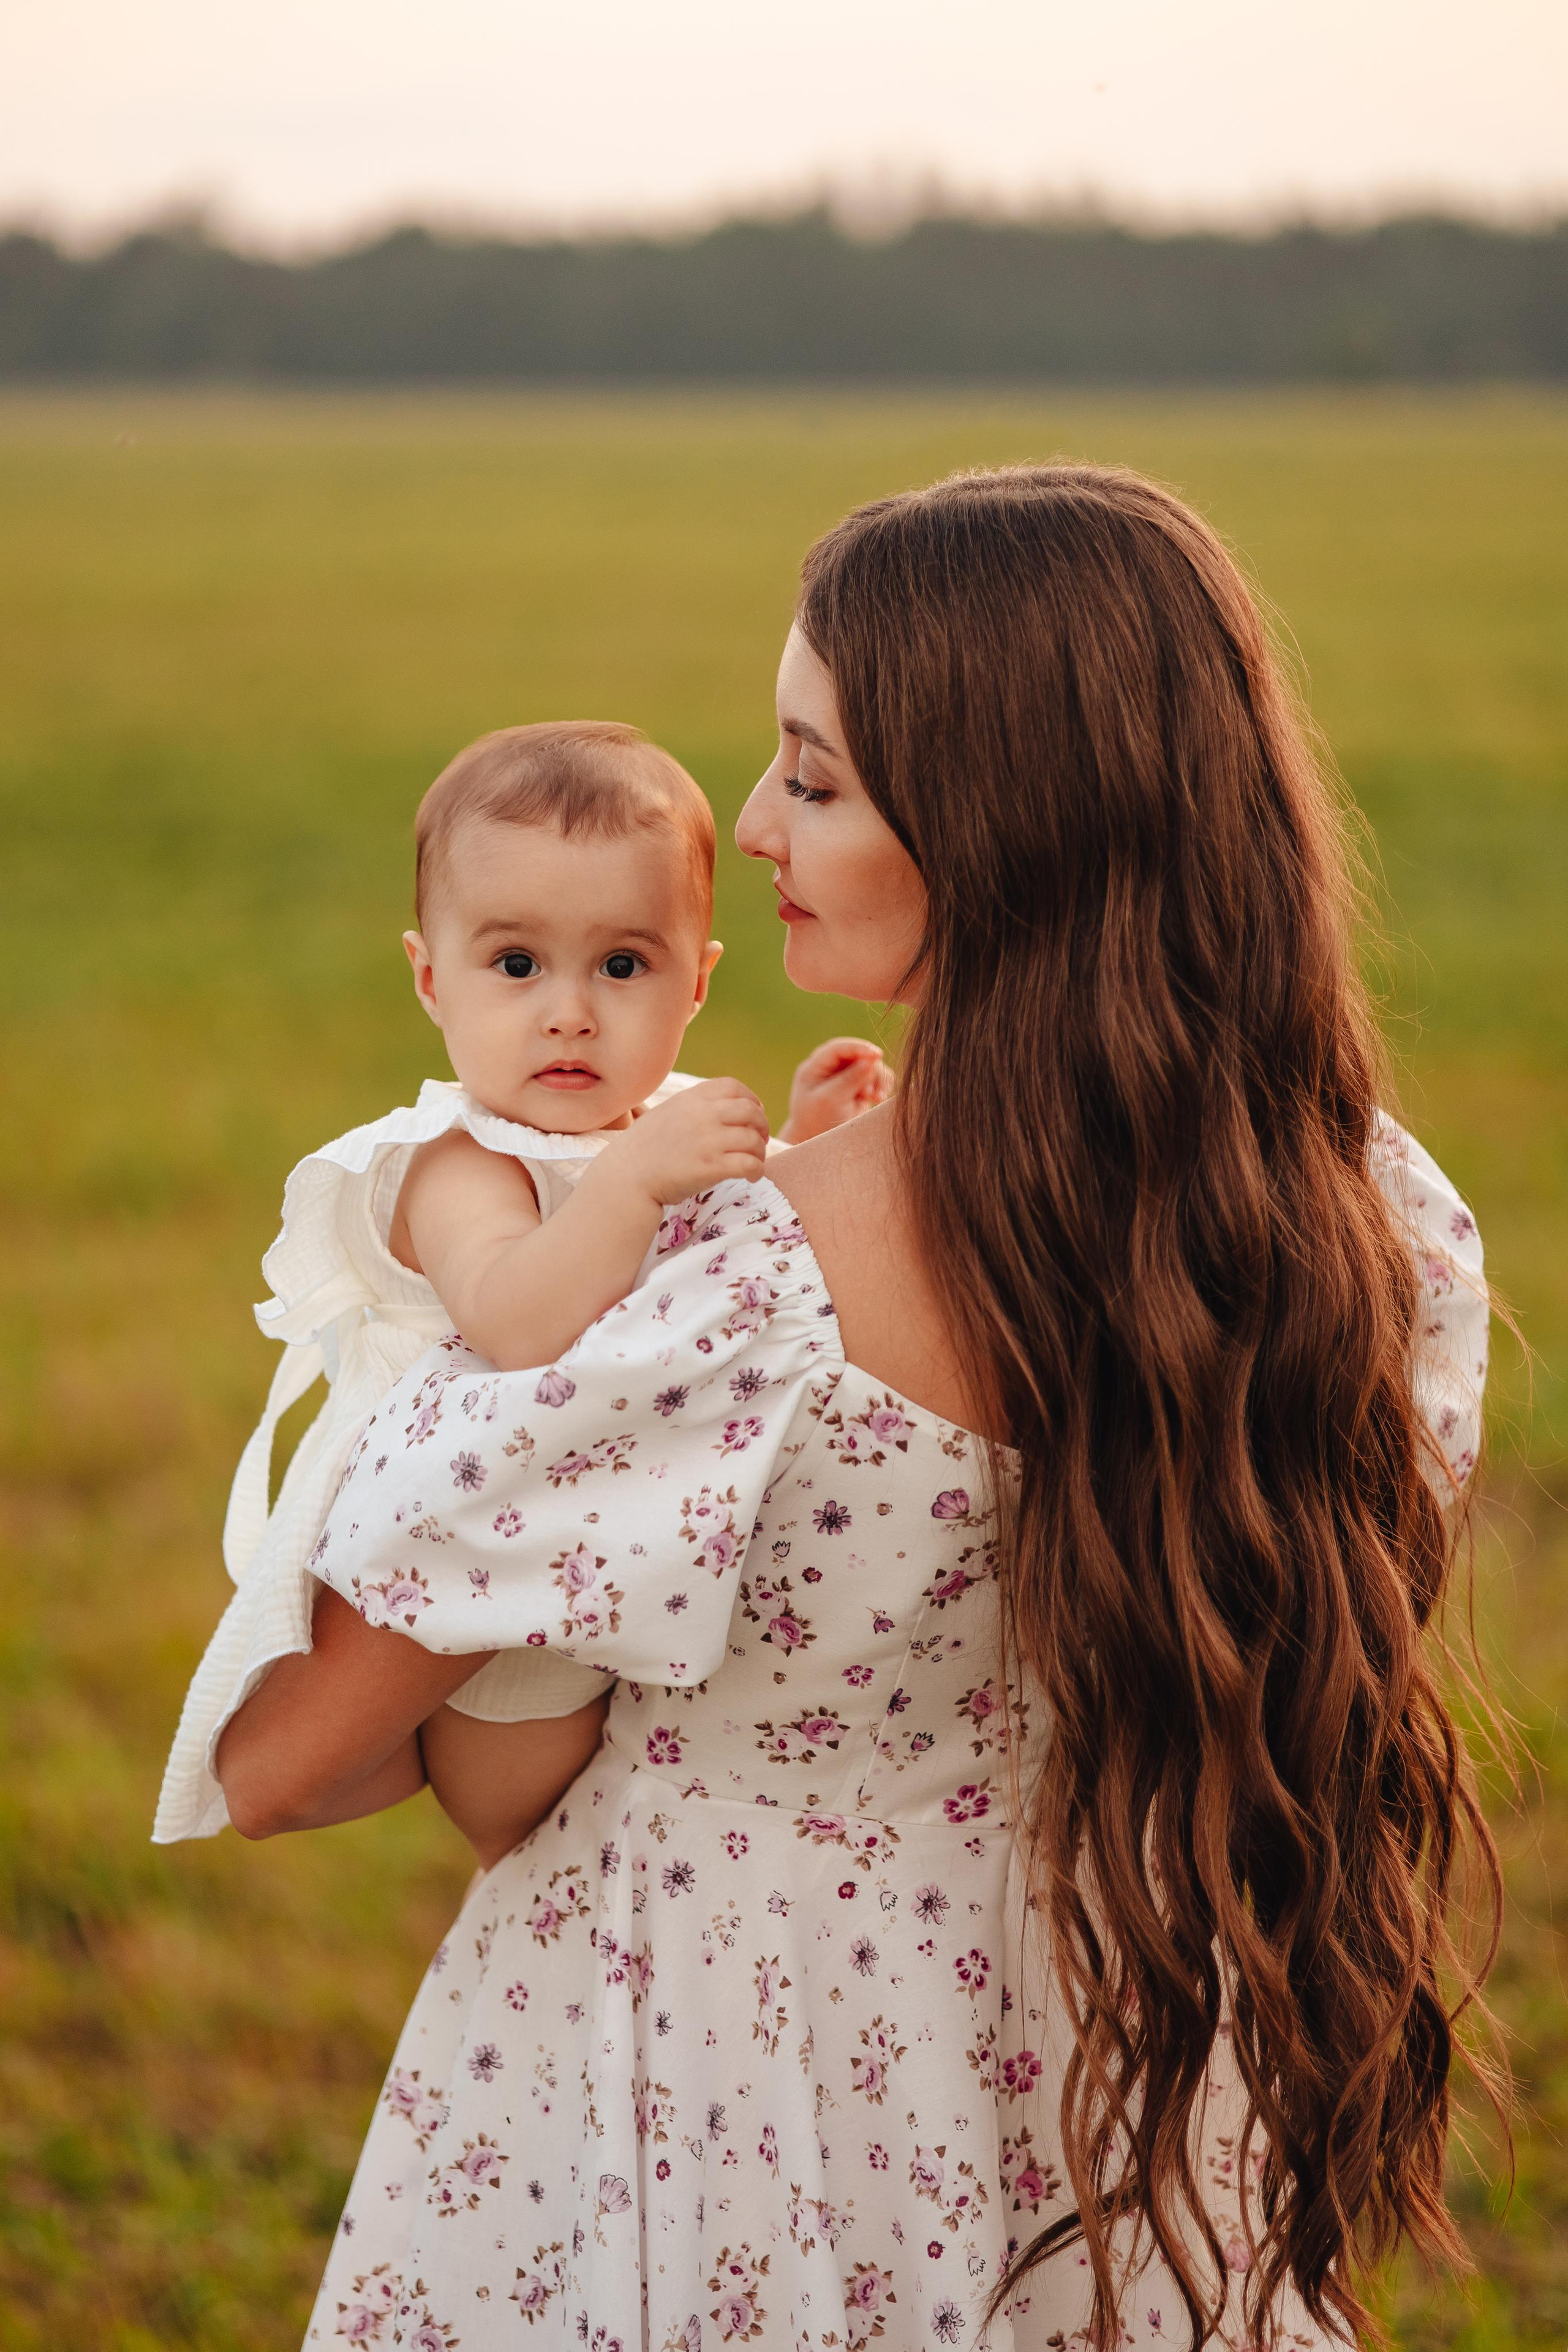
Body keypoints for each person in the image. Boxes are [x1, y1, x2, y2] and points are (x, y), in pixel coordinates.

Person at [216, 466, 1493, 2352]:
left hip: (715, 2099)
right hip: (1112, 2084)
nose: (745, 829)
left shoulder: (726, 1294)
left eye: (811, 777)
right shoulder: (1365, 1230)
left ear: (1001, 825)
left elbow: (286, 1767)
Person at [155, 718, 889, 1850]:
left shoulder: (640, 1122)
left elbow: (729, 1251)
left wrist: (797, 1144)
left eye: (623, 966)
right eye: (515, 965)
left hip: (594, 1551)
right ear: (430, 980)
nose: (569, 1010)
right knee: (532, 1819)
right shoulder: (461, 1161)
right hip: (475, 1591)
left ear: (696, 984)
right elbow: (514, 1324)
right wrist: (637, 1180)